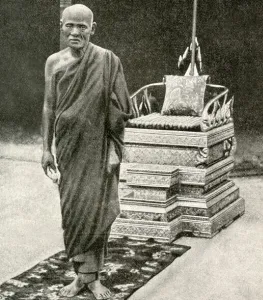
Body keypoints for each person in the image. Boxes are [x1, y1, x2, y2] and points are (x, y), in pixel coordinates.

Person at [41, 4, 131, 299]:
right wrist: (45, 149)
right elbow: (48, 107)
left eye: (83, 26)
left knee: (96, 209)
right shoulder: (53, 62)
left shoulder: (107, 60)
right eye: (70, 25)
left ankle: (92, 278)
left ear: (93, 28)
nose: (76, 32)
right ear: (61, 25)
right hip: (67, 146)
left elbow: (120, 107)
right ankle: (81, 277)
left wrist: (115, 147)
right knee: (74, 211)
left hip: (98, 147)